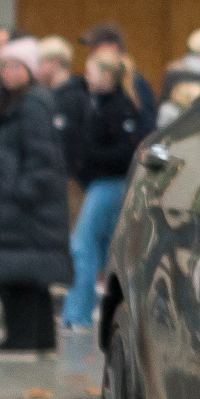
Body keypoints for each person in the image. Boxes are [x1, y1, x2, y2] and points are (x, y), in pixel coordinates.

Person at [0, 38, 70, 359]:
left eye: (14, 65)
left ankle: (22, 340)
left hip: (26, 209)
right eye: (3, 65)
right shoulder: (10, 103)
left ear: (29, 69)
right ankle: (39, 339)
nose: (6, 71)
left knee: (22, 276)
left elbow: (43, 160)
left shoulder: (31, 105)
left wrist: (21, 194)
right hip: (17, 206)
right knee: (28, 276)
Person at [59, 47, 149, 331]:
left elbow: (127, 151)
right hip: (100, 183)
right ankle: (116, 314)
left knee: (82, 246)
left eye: (91, 72)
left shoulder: (120, 107)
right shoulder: (96, 102)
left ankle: (77, 313)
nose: (85, 78)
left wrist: (88, 157)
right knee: (112, 249)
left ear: (107, 75)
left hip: (110, 183)